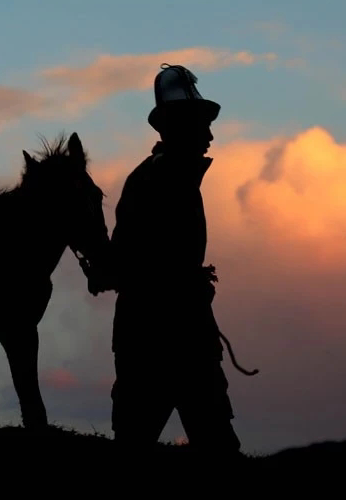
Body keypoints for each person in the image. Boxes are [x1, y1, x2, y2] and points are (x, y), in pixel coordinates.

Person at [107, 63, 242, 454]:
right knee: (214, 444)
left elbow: (123, 256)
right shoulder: (166, 180)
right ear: (179, 127)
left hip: (151, 333)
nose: (210, 136)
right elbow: (141, 260)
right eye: (203, 125)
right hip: (171, 336)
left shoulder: (149, 177)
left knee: (138, 439)